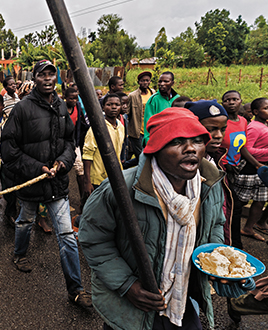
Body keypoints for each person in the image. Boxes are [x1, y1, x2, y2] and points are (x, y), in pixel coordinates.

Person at [79, 108, 227, 330]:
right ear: (155, 147)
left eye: (197, 141)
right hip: (132, 308)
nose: (190, 149)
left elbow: (215, 224)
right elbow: (94, 239)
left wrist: (214, 261)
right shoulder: (121, 189)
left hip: (182, 299)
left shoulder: (210, 185)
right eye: (177, 141)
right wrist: (127, 286)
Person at [0, 59, 91, 307]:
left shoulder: (62, 107)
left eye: (52, 74)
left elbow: (69, 143)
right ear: (35, 79)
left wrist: (62, 163)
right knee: (25, 221)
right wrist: (36, 168)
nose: (48, 79)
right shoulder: (22, 109)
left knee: (67, 236)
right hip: (32, 182)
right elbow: (8, 150)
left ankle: (76, 290)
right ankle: (19, 255)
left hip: (57, 185)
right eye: (43, 75)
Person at [220, 90, 262, 248]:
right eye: (227, 100)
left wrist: (257, 164)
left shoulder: (244, 121)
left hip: (236, 169)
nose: (231, 102)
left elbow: (241, 146)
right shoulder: (221, 121)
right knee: (235, 206)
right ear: (222, 103)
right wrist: (223, 164)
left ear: (240, 101)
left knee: (232, 206)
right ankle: (235, 244)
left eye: (235, 99)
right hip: (221, 169)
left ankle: (230, 240)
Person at [234, 97, 268, 242]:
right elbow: (247, 149)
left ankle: (248, 228)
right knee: (241, 200)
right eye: (266, 108)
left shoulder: (264, 125)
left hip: (263, 170)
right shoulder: (254, 127)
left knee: (260, 200)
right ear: (256, 111)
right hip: (250, 167)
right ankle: (228, 225)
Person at [82, 93, 125, 197]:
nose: (114, 107)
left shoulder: (121, 127)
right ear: (103, 107)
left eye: (117, 104)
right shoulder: (97, 128)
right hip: (97, 179)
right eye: (109, 105)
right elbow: (87, 156)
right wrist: (87, 181)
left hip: (115, 177)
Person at [64, 87, 89, 209]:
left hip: (75, 142)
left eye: (76, 98)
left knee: (80, 170)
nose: (74, 100)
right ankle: (62, 199)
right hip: (62, 144)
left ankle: (83, 199)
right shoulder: (61, 108)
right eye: (71, 98)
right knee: (62, 171)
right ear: (65, 97)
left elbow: (82, 123)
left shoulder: (78, 107)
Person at [143, 72, 180, 145]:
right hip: (158, 141)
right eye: (160, 81)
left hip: (176, 140)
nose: (162, 84)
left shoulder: (178, 99)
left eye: (166, 81)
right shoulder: (153, 100)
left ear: (172, 83)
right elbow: (148, 123)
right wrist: (149, 142)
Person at [128, 71, 154, 158]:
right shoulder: (132, 96)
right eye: (143, 81)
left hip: (150, 130)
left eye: (147, 80)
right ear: (139, 82)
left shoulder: (153, 93)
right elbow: (127, 113)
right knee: (141, 156)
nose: (145, 83)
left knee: (150, 154)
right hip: (137, 131)